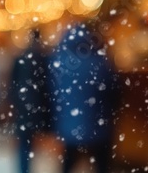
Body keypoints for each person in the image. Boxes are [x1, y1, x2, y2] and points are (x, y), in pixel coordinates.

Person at [48, 20, 119, 173]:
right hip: (98, 124)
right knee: (101, 164)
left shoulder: (59, 61)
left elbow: (52, 93)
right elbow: (113, 91)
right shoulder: (100, 62)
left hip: (70, 125)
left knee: (68, 162)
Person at [8, 30, 52, 173]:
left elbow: (12, 83)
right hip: (37, 106)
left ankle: (23, 169)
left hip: (23, 105)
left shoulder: (21, 56)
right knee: (32, 142)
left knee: (24, 142)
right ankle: (27, 168)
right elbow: (47, 85)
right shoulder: (43, 57)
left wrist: (14, 102)